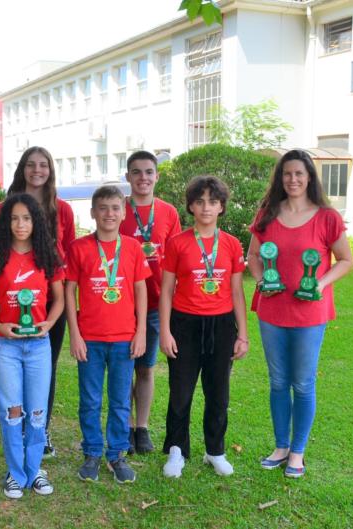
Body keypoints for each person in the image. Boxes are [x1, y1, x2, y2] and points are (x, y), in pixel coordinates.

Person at [247, 149, 353, 478]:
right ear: (280, 178)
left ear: (309, 177)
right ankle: (281, 446)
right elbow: (252, 256)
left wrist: (320, 283)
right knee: (278, 381)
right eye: (287, 174)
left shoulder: (327, 217)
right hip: (272, 310)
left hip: (309, 313)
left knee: (303, 384)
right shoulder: (266, 213)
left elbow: (346, 261)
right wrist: (264, 279)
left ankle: (298, 452)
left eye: (299, 174)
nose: (292, 179)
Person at [0, 193, 64, 499]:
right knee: (12, 412)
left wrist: (49, 324)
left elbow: (61, 298)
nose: (20, 224)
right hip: (7, 348)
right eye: (14, 218)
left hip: (38, 345)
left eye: (26, 218)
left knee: (37, 412)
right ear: (6, 223)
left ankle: (35, 468)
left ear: (36, 221)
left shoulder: (47, 255)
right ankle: (15, 473)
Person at [0, 146, 75, 458]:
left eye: (43, 165)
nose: (37, 170)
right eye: (31, 165)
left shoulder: (62, 209)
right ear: (22, 169)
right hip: (14, 301)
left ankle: (41, 429)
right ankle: (17, 426)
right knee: (13, 363)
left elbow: (69, 252)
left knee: (44, 365)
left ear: (50, 170)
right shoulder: (3, 209)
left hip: (52, 302)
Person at [159, 176, 248, 478]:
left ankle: (215, 451)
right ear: (191, 206)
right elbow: (167, 290)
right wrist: (165, 331)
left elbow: (237, 292)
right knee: (181, 392)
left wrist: (243, 335)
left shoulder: (233, 244)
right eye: (200, 201)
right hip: (184, 324)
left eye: (212, 201)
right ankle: (176, 450)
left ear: (222, 206)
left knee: (218, 394)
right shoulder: (177, 243)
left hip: (222, 326)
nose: (206, 207)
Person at [65, 185, 151, 484]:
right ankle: (91, 452)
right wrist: (74, 335)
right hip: (90, 338)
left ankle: (116, 454)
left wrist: (141, 332)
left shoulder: (132, 248)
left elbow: (141, 289)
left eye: (115, 208)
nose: (109, 214)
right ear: (92, 213)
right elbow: (69, 291)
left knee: (119, 400)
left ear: (124, 212)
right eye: (103, 208)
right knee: (89, 399)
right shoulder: (79, 248)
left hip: (124, 338)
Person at [119, 150, 181, 455]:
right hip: (120, 304)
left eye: (148, 172)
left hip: (158, 302)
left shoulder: (168, 212)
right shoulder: (118, 210)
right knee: (122, 366)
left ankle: (141, 427)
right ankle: (126, 425)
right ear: (127, 176)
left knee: (145, 368)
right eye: (136, 172)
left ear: (156, 176)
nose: (143, 178)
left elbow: (179, 256)